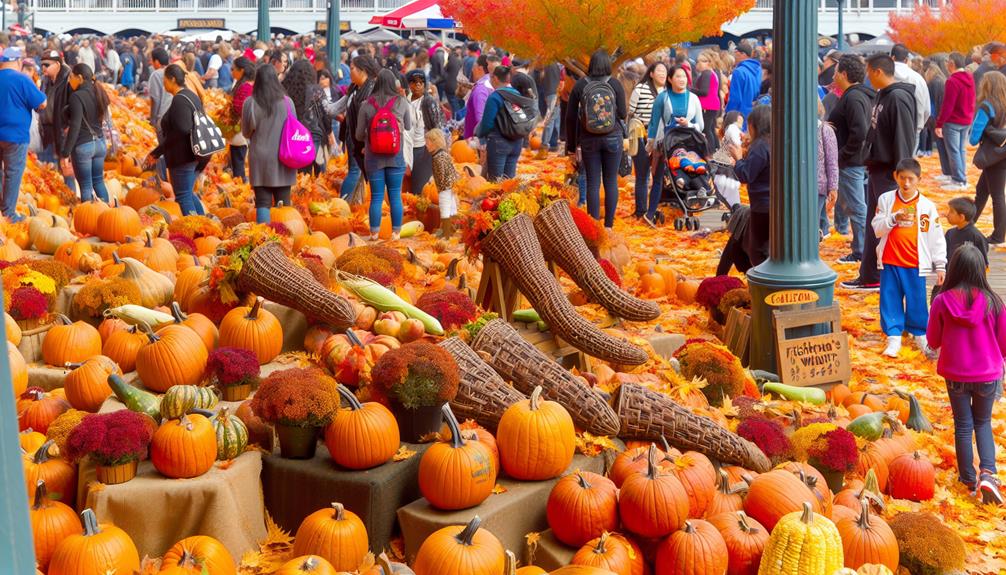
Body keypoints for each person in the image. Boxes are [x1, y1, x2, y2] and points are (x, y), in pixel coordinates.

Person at [927, 243, 1005, 505]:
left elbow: (933, 339)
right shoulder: (994, 302)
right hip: (987, 375)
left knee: (963, 424)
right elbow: (1004, 344)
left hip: (956, 374)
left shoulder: (941, 300)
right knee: (983, 423)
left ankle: (968, 478)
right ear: (981, 270)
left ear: (954, 269)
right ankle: (988, 473)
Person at [842, 54, 917, 291]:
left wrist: (903, 177)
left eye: (867, 71)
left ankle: (890, 278)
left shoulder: (898, 98)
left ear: (876, 71)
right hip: (878, 169)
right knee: (875, 224)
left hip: (890, 173)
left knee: (889, 225)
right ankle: (870, 275)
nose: (865, 76)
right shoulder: (883, 96)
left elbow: (904, 139)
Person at [873, 158, 946, 357]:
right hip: (890, 260)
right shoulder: (886, 200)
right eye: (902, 178)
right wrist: (893, 218)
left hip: (915, 262)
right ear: (896, 176)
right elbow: (877, 229)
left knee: (917, 299)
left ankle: (919, 332)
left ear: (919, 180)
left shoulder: (927, 206)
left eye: (911, 179)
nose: (906, 183)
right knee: (890, 298)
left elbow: (936, 237)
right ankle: (894, 336)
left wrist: (940, 265)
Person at [566, 50, 627, 230]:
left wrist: (571, 145)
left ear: (591, 64)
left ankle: (594, 227)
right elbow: (623, 113)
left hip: (588, 138)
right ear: (608, 64)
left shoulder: (580, 86)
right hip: (613, 138)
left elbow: (570, 117)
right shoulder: (615, 84)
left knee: (593, 181)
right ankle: (609, 225)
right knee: (610, 181)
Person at [829, 54, 874, 265]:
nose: (834, 75)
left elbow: (860, 132)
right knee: (851, 204)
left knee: (857, 206)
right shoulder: (855, 95)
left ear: (844, 74)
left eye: (836, 71)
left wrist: (843, 154)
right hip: (850, 160)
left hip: (851, 162)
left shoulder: (854, 97)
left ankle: (861, 251)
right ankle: (859, 246)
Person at [645, 64, 703, 227]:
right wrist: (650, 145)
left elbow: (701, 124)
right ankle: (651, 213)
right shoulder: (662, 98)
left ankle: (689, 209)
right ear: (670, 79)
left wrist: (689, 124)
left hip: (689, 144)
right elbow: (654, 123)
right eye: (678, 76)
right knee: (658, 178)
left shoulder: (693, 98)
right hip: (665, 143)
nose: (682, 79)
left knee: (688, 173)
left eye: (684, 76)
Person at [356, 68, 411, 241]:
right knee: (395, 194)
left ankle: (374, 233)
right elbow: (408, 126)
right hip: (396, 157)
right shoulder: (402, 102)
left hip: (373, 158)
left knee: (377, 197)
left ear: (376, 83)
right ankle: (396, 233)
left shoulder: (366, 104)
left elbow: (358, 135)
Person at [145, 64, 206, 216]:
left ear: (172, 79)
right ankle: (205, 223)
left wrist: (158, 151)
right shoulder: (190, 96)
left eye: (164, 80)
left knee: (183, 196)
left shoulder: (180, 100)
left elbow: (182, 130)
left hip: (182, 156)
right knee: (187, 192)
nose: (163, 83)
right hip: (192, 154)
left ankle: (195, 228)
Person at [240, 64, 296, 224]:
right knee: (284, 204)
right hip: (284, 156)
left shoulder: (250, 103)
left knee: (262, 202)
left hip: (260, 157)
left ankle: (263, 238)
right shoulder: (287, 102)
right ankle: (286, 238)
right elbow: (294, 127)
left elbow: (246, 132)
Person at [0, 46, 46, 222]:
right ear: (18, 61)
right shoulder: (22, 79)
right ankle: (9, 214)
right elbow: (42, 104)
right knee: (12, 172)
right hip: (15, 136)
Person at [59, 63, 111, 203]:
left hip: (84, 146)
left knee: (86, 186)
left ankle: (88, 222)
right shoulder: (98, 92)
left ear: (80, 78)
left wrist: (65, 153)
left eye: (71, 77)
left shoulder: (77, 96)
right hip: (100, 143)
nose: (69, 80)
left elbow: (75, 126)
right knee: (98, 182)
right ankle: (106, 215)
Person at [971, 71, 1006, 246]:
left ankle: (999, 236)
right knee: (982, 191)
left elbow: (973, 138)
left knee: (997, 195)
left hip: (992, 156)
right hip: (1002, 154)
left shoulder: (987, 105)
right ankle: (969, 226)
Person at [733, 104, 771, 267]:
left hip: (762, 204)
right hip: (774, 203)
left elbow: (746, 174)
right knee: (766, 248)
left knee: (757, 250)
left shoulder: (761, 145)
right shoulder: (774, 141)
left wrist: (738, 158)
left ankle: (764, 285)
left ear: (754, 125)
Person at [476, 66, 529, 181]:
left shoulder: (495, 97)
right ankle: (509, 199)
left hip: (498, 142)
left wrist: (481, 137)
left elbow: (487, 124)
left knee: (496, 182)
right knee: (509, 182)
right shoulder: (517, 94)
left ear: (495, 78)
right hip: (517, 141)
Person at [627, 62, 666, 218]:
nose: (663, 74)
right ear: (651, 73)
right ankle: (640, 211)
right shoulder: (640, 89)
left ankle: (651, 213)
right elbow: (630, 112)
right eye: (659, 71)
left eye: (665, 71)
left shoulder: (667, 91)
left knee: (658, 175)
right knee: (642, 175)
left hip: (660, 137)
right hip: (640, 134)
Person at [340, 54, 379, 200]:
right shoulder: (355, 89)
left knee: (357, 172)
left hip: (361, 139)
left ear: (362, 71)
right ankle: (344, 202)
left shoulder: (369, 90)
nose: (349, 72)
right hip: (354, 138)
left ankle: (349, 201)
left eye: (352, 68)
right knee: (355, 172)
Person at [936, 52, 975, 192]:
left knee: (954, 150)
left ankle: (959, 180)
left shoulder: (952, 80)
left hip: (953, 121)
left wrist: (939, 123)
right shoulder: (969, 78)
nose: (946, 66)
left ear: (952, 63)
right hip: (966, 119)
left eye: (947, 63)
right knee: (960, 150)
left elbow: (948, 105)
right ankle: (959, 177)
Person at [38, 50, 75, 193]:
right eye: (41, 65)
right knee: (48, 171)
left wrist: (68, 126)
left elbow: (74, 107)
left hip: (62, 130)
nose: (43, 68)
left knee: (65, 169)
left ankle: (70, 198)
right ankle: (53, 199)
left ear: (58, 64)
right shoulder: (46, 81)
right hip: (47, 130)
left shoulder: (68, 81)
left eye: (46, 65)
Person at [283, 59, 328, 176]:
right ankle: (310, 190)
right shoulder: (316, 90)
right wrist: (329, 133)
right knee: (314, 168)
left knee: (296, 168)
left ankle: (298, 190)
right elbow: (325, 113)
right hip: (313, 133)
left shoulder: (284, 90)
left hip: (292, 134)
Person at [405, 70, 442, 195]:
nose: (418, 85)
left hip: (423, 149)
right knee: (406, 189)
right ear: (409, 84)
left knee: (419, 188)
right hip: (406, 148)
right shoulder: (405, 101)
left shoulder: (428, 102)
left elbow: (436, 127)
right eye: (414, 82)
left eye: (421, 82)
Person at [891, 44, 931, 154]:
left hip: (888, 128)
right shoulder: (917, 78)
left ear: (892, 58)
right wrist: (919, 124)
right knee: (908, 164)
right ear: (906, 59)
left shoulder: (884, 75)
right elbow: (927, 108)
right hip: (912, 127)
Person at [228, 56, 255, 183]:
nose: (231, 71)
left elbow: (240, 108)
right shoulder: (244, 84)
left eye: (233, 69)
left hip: (240, 130)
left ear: (242, 70)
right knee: (237, 160)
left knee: (238, 162)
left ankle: (239, 186)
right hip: (240, 129)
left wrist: (228, 106)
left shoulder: (245, 87)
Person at [427, 129, 458, 237]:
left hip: (445, 187)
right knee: (452, 207)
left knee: (445, 208)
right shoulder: (443, 154)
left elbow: (441, 174)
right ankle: (452, 228)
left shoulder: (438, 157)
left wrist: (436, 183)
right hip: (452, 185)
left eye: (428, 142)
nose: (426, 145)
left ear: (434, 143)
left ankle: (446, 233)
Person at [147, 48, 172, 180]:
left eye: (152, 60)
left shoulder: (156, 74)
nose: (151, 63)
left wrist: (152, 119)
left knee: (164, 150)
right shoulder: (173, 71)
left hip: (162, 118)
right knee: (171, 149)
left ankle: (164, 180)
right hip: (174, 117)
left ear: (156, 61)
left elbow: (155, 99)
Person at [944, 197, 989, 269]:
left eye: (951, 212)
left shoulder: (976, 236)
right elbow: (945, 256)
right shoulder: (950, 233)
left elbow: (983, 264)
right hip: (951, 275)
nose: (947, 214)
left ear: (962, 217)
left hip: (969, 277)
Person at [463, 53, 499, 140]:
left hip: (475, 142)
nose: (472, 70)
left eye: (474, 67)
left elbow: (480, 119)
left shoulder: (481, 89)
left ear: (480, 68)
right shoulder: (493, 84)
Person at [725, 40, 762, 124]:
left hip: (739, 116)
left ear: (743, 54)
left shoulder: (738, 71)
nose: (734, 57)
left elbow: (735, 98)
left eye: (735, 53)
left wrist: (728, 115)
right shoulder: (758, 69)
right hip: (754, 112)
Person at [692, 50, 721, 151]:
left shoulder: (706, 73)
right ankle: (717, 150)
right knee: (711, 129)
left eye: (700, 61)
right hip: (712, 105)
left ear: (708, 62)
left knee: (706, 130)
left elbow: (704, 91)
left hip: (707, 106)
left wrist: (689, 89)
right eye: (697, 61)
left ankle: (711, 152)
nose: (698, 64)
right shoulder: (713, 73)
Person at [817, 103, 839, 239]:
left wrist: (833, 187)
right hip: (795, 185)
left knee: (811, 221)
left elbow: (832, 161)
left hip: (818, 186)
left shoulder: (825, 130)